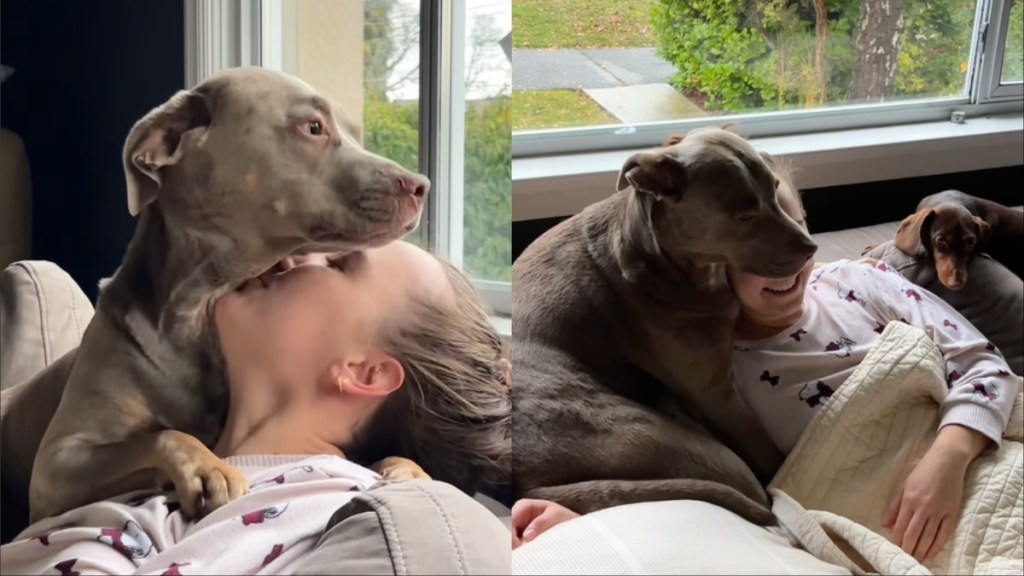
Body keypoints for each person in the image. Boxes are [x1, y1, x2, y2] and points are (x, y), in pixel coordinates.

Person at [511, 158, 1019, 565]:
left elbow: (985, 365)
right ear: (707, 259)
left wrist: (947, 460)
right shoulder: (700, 373)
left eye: (796, 226)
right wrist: (585, 516)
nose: (794, 255)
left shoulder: (860, 282)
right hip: (881, 530)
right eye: (756, 248)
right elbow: (695, 494)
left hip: (981, 459)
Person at [0, 242, 510, 575]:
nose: (297, 252)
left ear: (364, 372)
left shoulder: (324, 501)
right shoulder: (149, 440)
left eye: (337, 263)